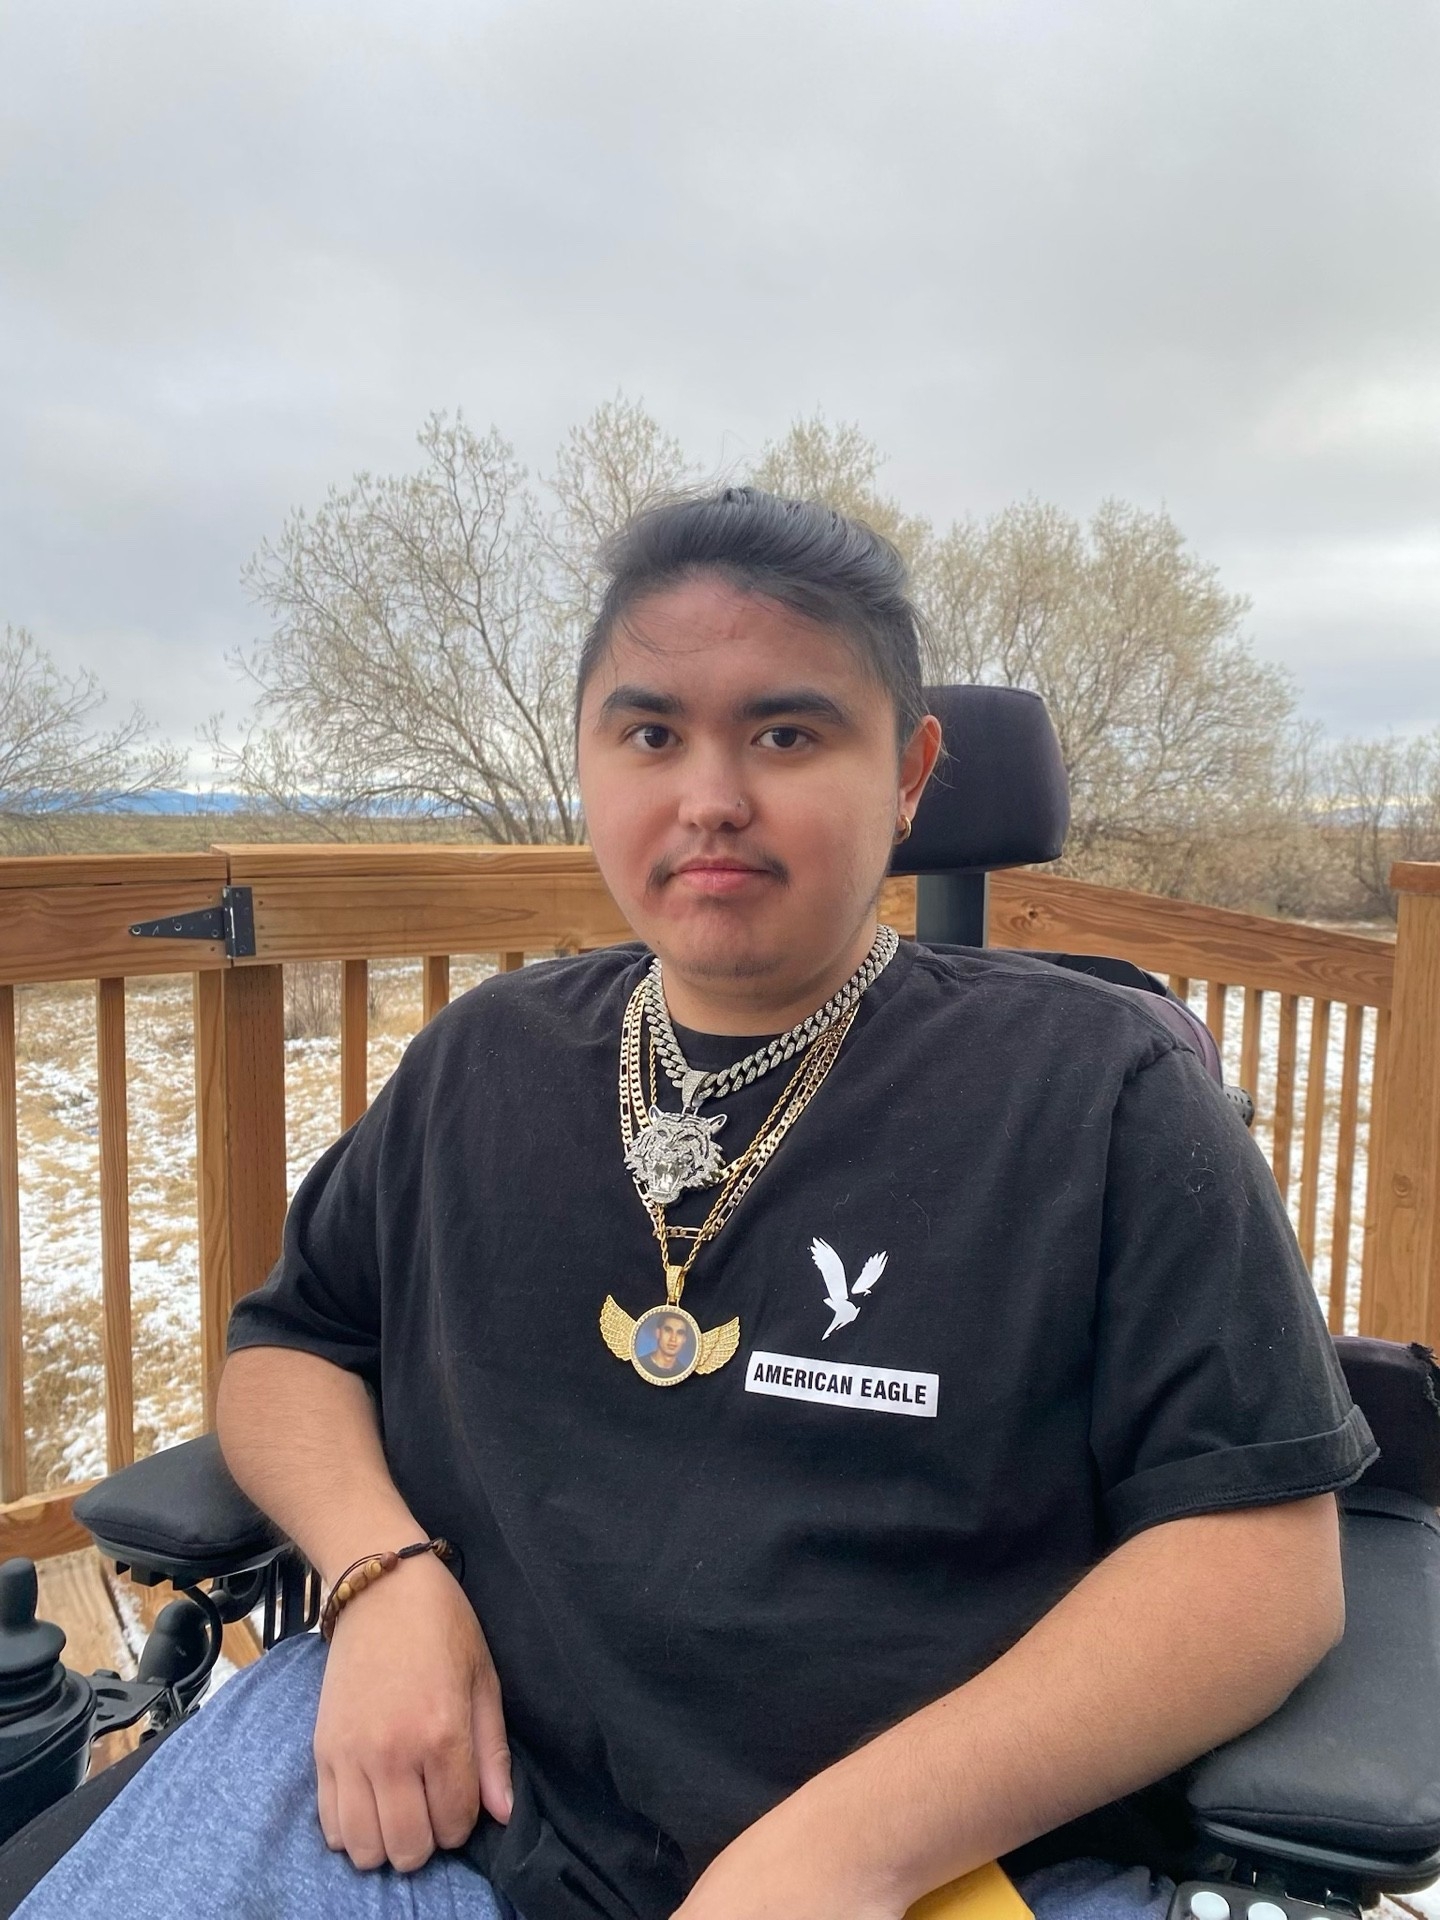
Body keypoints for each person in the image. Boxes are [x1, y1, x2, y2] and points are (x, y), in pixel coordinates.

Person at [9, 488, 1374, 1920]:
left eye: (787, 735)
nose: (710, 797)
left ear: (910, 773)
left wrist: (849, 1848)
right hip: (444, 1800)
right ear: (587, 758)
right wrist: (382, 1574)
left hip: (939, 1857)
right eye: (652, 735)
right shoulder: (485, 1060)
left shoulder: (1100, 1091)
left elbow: (1262, 1567)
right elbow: (297, 1346)